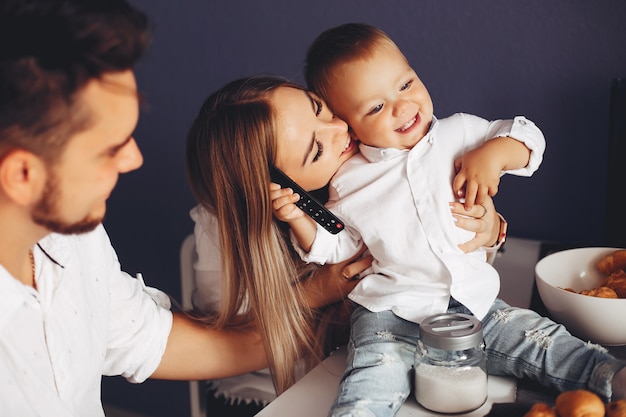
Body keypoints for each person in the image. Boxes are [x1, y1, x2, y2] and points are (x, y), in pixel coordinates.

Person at [273, 22, 626, 416]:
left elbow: (530, 140)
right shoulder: (349, 180)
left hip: (474, 304)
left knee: (539, 339)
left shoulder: (459, 132)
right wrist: (298, 220)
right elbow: (339, 246)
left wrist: (494, 155)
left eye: (405, 84)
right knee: (370, 379)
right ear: (350, 127)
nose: (403, 106)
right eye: (375, 107)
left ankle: (611, 376)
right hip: (390, 314)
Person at [0, 1, 275, 416]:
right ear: (22, 175)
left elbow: (150, 338)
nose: (134, 159)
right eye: (111, 150)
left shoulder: (74, 234)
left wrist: (317, 308)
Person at [185, 75, 504, 415]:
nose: (341, 130)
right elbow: (231, 338)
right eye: (317, 150)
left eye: (319, 108)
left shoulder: (376, 146)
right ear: (274, 190)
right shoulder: (219, 230)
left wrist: (487, 228)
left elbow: (444, 264)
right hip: (273, 390)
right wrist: (320, 290)